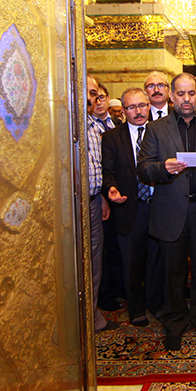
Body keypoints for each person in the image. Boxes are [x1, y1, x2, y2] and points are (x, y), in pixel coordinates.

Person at [137, 73, 196, 351]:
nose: (187, 99)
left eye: (191, 93)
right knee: (173, 273)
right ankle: (175, 321)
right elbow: (143, 168)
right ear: (172, 96)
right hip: (170, 212)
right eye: (181, 94)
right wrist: (162, 168)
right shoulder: (156, 129)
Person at [102, 88, 164, 327]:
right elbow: (108, 172)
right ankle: (136, 309)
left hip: (159, 207)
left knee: (157, 261)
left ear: (149, 106)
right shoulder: (111, 138)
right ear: (123, 111)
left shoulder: (161, 132)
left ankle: (156, 304)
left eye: (142, 105)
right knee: (132, 263)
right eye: (131, 107)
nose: (138, 111)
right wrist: (111, 189)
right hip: (129, 207)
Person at [86, 75, 118, 333]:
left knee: (95, 261)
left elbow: (99, 167)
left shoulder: (95, 126)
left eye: (94, 92)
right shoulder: (68, 124)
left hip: (94, 200)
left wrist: (102, 198)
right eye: (86, 91)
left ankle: (92, 315)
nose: (91, 97)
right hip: (70, 205)